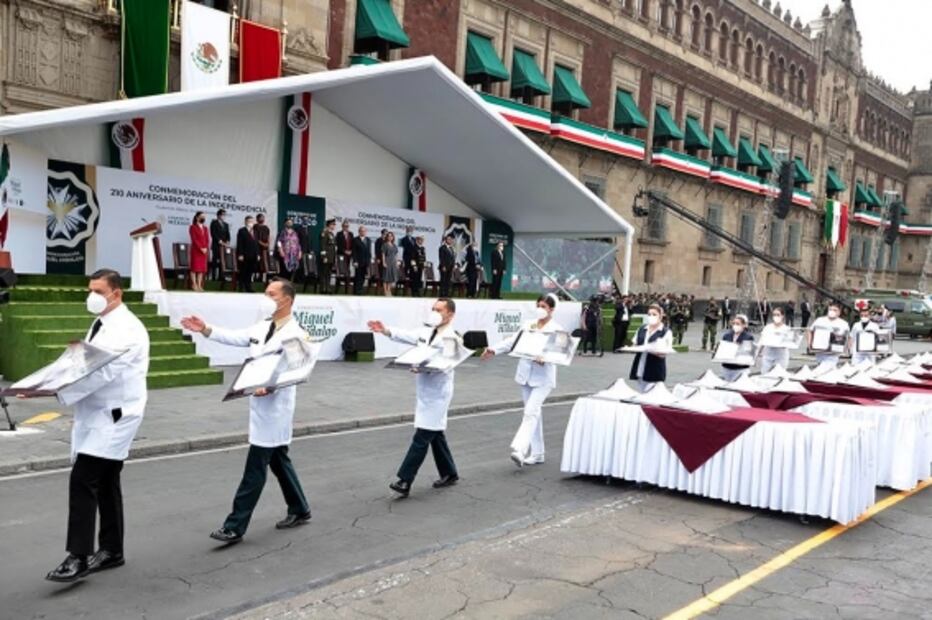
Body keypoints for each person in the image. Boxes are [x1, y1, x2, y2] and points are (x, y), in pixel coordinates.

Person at [181, 279, 315, 544]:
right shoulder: (263, 326)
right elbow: (236, 337)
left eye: (271, 294)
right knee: (279, 460)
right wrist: (205, 329)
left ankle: (235, 526)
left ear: (287, 299)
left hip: (276, 409)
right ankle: (300, 508)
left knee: (255, 469)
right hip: (259, 403)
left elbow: (298, 372)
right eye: (265, 293)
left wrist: (272, 386)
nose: (265, 298)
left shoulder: (297, 333)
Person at [40, 269, 150, 582]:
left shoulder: (128, 328)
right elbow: (82, 362)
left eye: (99, 291)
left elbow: (103, 373)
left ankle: (78, 556)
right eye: (90, 290)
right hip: (99, 413)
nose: (93, 296)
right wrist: (45, 380)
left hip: (115, 414)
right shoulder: (103, 322)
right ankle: (112, 549)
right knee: (105, 481)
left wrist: (55, 391)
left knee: (83, 479)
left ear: (117, 293)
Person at [368, 299, 461, 497]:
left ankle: (405, 480)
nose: (434, 312)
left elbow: (447, 365)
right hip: (425, 390)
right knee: (435, 433)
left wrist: (422, 367)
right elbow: (407, 336)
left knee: (422, 436)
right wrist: (385, 330)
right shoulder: (427, 331)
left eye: (439, 310)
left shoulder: (452, 338)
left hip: (439, 393)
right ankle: (449, 472)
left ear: (450, 315)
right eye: (433, 309)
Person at [482, 294, 564, 466]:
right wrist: (493, 350)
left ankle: (520, 449)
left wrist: (547, 357)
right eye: (538, 305)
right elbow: (512, 341)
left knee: (530, 412)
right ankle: (538, 453)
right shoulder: (528, 325)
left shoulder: (557, 329)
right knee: (533, 413)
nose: (540, 309)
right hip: (525, 375)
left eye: (544, 306)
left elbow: (561, 352)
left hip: (543, 378)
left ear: (551, 309)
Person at [629, 304, 673, 392]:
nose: (651, 317)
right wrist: (631, 348)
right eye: (649, 314)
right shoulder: (642, 329)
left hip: (654, 369)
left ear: (660, 316)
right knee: (642, 392)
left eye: (654, 314)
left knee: (652, 393)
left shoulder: (666, 332)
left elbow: (664, 354)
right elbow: (635, 344)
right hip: (640, 367)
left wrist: (650, 349)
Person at [808, 302, 850, 368]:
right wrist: (809, 343)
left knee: (829, 367)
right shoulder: (820, 320)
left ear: (839, 312)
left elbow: (847, 337)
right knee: (820, 365)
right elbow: (810, 331)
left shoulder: (843, 324)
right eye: (830, 309)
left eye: (835, 310)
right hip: (820, 350)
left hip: (834, 352)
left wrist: (846, 349)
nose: (832, 311)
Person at [718, 314, 755, 381]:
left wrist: (737, 347)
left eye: (738, 324)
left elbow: (748, 353)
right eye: (734, 323)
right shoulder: (726, 335)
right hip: (727, 367)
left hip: (740, 368)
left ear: (743, 325)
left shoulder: (748, 337)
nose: (735, 325)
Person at [759, 306, 792, 374]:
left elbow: (789, 343)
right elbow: (761, 341)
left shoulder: (786, 329)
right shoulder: (768, 327)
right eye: (774, 315)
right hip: (768, 354)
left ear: (782, 316)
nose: (776, 316)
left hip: (781, 356)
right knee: (764, 374)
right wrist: (757, 353)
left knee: (779, 374)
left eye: (778, 315)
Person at [236, 215, 260, 292]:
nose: (251, 223)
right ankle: (241, 287)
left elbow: (256, 244)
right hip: (244, 255)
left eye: (252, 221)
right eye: (249, 221)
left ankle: (248, 287)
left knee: (250, 272)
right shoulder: (242, 231)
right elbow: (240, 243)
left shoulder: (255, 231)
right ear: (245, 222)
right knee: (243, 271)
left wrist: (258, 254)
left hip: (253, 255)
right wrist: (240, 254)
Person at [189, 211, 210, 292]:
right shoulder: (192, 227)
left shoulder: (205, 228)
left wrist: (206, 248)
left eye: (204, 217)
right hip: (196, 250)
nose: (203, 218)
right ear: (197, 217)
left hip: (204, 251)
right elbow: (194, 239)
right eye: (201, 216)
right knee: (194, 268)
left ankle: (199, 285)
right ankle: (194, 284)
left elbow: (207, 239)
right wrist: (201, 248)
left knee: (201, 269)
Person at [209, 209, 231, 281]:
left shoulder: (226, 224)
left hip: (224, 246)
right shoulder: (214, 223)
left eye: (225, 215)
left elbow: (228, 234)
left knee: (222, 261)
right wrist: (220, 241)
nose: (224, 216)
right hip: (216, 245)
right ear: (218, 215)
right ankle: (213, 277)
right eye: (222, 215)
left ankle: (221, 276)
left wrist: (227, 241)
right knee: (215, 261)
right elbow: (213, 233)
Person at [318, 218, 337, 294]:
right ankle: (323, 288)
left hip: (331, 257)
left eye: (334, 224)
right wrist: (324, 257)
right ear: (329, 225)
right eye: (333, 224)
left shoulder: (331, 234)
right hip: (326, 257)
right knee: (324, 273)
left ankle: (328, 288)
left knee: (329, 273)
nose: (334, 226)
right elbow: (323, 245)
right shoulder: (324, 233)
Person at [352, 226, 372, 295]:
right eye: (361, 231)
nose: (363, 232)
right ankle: (356, 291)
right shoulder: (355, 240)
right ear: (359, 232)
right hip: (358, 262)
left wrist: (369, 261)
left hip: (365, 262)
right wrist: (355, 261)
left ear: (366, 232)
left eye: (364, 231)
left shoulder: (368, 240)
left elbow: (369, 251)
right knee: (358, 277)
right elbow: (354, 251)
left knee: (363, 277)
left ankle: (360, 290)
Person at [336, 220, 354, 293]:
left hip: (349, 256)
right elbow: (338, 244)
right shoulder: (339, 234)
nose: (346, 227)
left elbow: (352, 244)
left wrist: (351, 251)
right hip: (341, 255)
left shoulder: (351, 234)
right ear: (342, 226)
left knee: (347, 271)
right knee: (340, 271)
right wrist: (344, 251)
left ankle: (347, 289)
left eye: (347, 226)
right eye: (345, 226)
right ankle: (337, 287)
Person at [254, 213, 272, 282]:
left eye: (263, 218)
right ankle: (255, 277)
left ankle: (262, 277)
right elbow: (255, 238)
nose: (262, 219)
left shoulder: (266, 228)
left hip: (265, 248)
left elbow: (268, 237)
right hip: (257, 248)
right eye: (261, 218)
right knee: (256, 263)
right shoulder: (255, 227)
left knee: (264, 263)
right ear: (257, 219)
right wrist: (262, 243)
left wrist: (267, 244)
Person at [381, 231, 399, 296]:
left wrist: (397, 262)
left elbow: (396, 255)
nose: (390, 237)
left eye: (391, 236)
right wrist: (384, 262)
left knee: (391, 276)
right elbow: (383, 254)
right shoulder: (384, 244)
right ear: (387, 237)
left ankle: (389, 290)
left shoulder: (394, 245)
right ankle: (385, 291)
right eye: (389, 236)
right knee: (386, 276)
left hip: (393, 262)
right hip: (387, 261)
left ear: (393, 237)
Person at [400, 226, 417, 294]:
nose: (410, 232)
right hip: (407, 258)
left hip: (413, 259)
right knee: (406, 272)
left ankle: (411, 288)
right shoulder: (404, 239)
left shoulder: (414, 239)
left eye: (411, 231)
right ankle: (405, 288)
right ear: (406, 231)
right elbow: (405, 247)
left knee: (413, 273)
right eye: (409, 231)